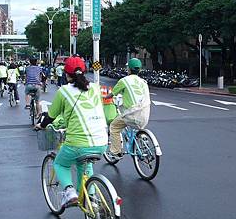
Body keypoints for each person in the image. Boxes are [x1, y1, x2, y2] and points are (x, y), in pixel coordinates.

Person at [35, 56, 108, 207]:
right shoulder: (95, 87)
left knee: (61, 164)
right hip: (102, 142)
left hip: (77, 143)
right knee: (86, 164)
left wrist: (41, 126)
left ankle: (69, 192)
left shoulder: (64, 91)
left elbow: (51, 116)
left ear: (66, 74)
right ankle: (91, 198)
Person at [104, 58, 151, 157]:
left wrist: (103, 97)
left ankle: (116, 152)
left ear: (128, 69)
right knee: (136, 126)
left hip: (131, 115)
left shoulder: (124, 81)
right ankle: (143, 142)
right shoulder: (143, 82)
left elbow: (112, 94)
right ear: (140, 70)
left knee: (114, 126)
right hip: (144, 116)